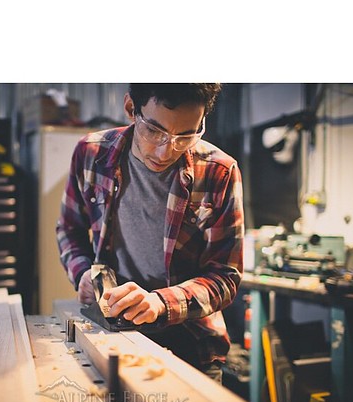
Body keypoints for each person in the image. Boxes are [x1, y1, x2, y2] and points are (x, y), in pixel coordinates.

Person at [56, 84, 244, 383]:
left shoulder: (218, 171)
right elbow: (69, 229)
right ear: (131, 109)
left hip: (190, 343)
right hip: (108, 333)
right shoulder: (91, 152)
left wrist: (160, 303)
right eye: (154, 131)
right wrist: (82, 275)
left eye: (185, 136)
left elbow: (225, 276)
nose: (165, 149)